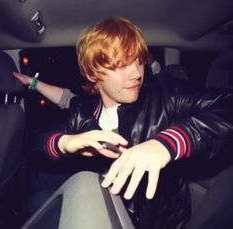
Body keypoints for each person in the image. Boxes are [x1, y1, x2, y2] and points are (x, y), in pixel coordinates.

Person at [30, 17, 233, 229]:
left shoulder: (164, 94)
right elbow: (34, 146)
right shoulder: (81, 113)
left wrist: (170, 142)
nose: (136, 73)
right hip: (101, 211)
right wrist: (64, 143)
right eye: (121, 65)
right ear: (92, 73)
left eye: (138, 61)